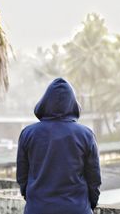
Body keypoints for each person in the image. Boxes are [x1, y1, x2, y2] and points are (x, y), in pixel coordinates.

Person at [17, 78, 101, 214]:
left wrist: (34, 201)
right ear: (73, 103)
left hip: (38, 209)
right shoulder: (85, 135)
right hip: (76, 209)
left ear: (44, 102)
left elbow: (22, 177)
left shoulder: (28, 134)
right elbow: (94, 179)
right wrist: (87, 205)